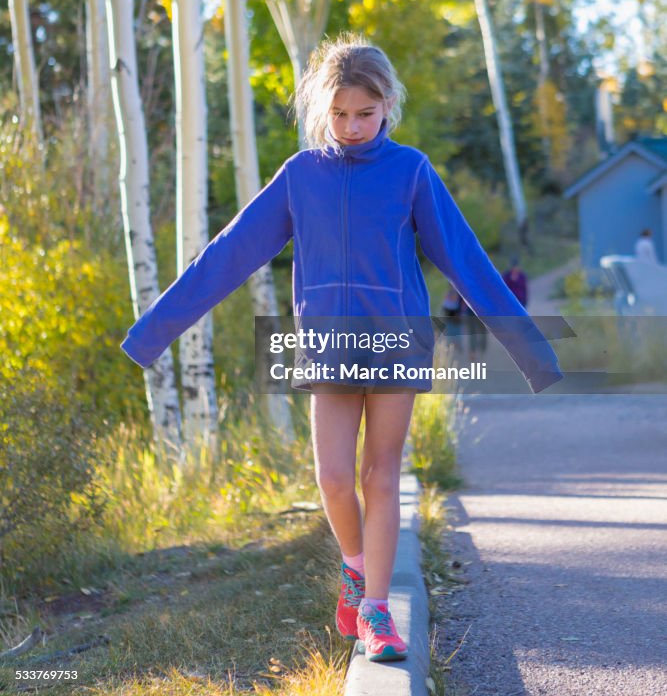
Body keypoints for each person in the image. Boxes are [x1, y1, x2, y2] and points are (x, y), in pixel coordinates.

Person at [121, 35, 564, 663]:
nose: (352, 127)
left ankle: (377, 611)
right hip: (327, 345)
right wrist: (152, 333)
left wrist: (531, 351)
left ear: (388, 107)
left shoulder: (411, 170)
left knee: (380, 474)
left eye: (365, 113)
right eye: (339, 113)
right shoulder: (301, 175)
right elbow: (228, 254)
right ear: (319, 108)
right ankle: (355, 571)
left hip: (396, 341)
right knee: (332, 478)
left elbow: (465, 259)